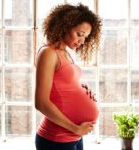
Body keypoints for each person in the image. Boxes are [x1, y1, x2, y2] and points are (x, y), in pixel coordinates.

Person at [35, 3, 102, 150]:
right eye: (80, 34)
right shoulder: (48, 53)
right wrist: (75, 128)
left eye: (86, 37)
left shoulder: (64, 53)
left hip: (73, 137)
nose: (82, 41)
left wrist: (81, 89)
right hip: (56, 139)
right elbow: (41, 103)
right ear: (64, 26)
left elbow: (60, 86)